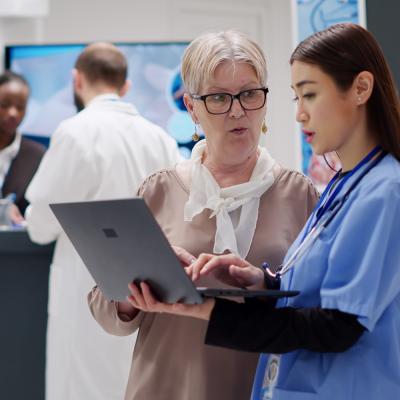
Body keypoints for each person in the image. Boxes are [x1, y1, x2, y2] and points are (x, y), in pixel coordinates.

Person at [126, 23, 400, 400]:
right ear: (192, 106)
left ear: (361, 89)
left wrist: (209, 310)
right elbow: (310, 288)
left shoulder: (369, 190)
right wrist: (261, 282)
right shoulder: (345, 185)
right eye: (219, 98)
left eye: (310, 95)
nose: (300, 115)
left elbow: (338, 324)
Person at [88, 30, 318, 400]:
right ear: (192, 107)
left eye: (248, 93)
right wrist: (136, 293)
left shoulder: (299, 194)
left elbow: (317, 310)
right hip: (167, 386)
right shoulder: (158, 190)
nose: (237, 110)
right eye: (218, 98)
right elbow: (104, 308)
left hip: (264, 387)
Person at [24, 42, 182, 400]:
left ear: (75, 80)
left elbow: (41, 225)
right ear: (125, 86)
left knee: (80, 386)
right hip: (147, 290)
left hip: (85, 289)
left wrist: (28, 216)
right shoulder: (160, 137)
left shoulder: (74, 131)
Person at [0, 71, 45, 216]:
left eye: (20, 107)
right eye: (4, 105)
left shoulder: (37, 155)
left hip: (17, 238)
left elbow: (42, 206)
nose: (13, 113)